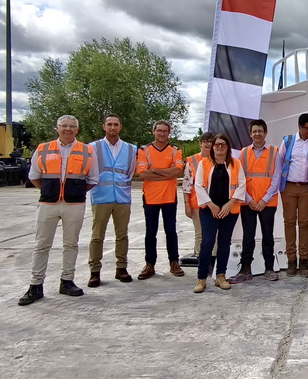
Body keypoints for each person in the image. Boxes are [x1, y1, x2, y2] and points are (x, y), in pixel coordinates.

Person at [19, 115, 99, 305]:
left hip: (74, 204)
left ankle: (67, 281)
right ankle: (35, 285)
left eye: (72, 126)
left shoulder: (87, 151)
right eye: (64, 126)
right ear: (57, 128)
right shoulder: (43, 149)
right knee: (41, 245)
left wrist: (74, 191)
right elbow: (34, 176)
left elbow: (93, 179)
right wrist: (50, 191)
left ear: (77, 130)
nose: (68, 129)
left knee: (71, 244)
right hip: (48, 203)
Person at [87, 114, 138, 287]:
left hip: (122, 198)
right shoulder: (93, 147)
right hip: (101, 197)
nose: (112, 128)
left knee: (122, 235)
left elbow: (130, 172)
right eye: (109, 124)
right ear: (104, 127)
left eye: (116, 124)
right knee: (97, 236)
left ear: (120, 127)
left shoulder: (131, 149)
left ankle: (121, 268)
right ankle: (94, 271)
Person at [193, 133, 246, 293]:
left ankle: (221, 276)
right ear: (212, 146)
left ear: (228, 147)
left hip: (229, 210)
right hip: (210, 210)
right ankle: (201, 278)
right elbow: (199, 186)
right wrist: (211, 205)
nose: (220, 147)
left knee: (224, 242)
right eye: (217, 144)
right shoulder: (204, 163)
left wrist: (230, 204)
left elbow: (242, 184)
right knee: (207, 243)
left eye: (223, 144)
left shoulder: (236, 163)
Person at [135, 120, 185, 280]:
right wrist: (166, 172)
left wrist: (154, 170)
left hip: (169, 196)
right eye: (159, 130)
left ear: (169, 133)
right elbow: (142, 173)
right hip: (150, 197)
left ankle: (174, 262)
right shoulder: (144, 150)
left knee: (171, 231)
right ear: (153, 131)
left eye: (165, 131)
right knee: (151, 232)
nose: (162, 133)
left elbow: (177, 171)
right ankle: (150, 264)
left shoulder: (175, 150)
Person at [276, 113, 308, 276]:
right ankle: (291, 260)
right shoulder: (288, 141)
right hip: (288, 187)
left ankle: (304, 261)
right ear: (300, 127)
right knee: (289, 222)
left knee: (304, 223)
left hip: (307, 189)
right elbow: (279, 163)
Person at [234, 119, 278, 283]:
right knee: (248, 237)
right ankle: (246, 269)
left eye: (260, 131)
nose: (257, 134)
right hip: (248, 203)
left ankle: (269, 268)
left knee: (268, 236)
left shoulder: (275, 152)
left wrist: (264, 200)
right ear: (250, 134)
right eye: (254, 131)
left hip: (267, 203)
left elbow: (276, 179)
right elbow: (240, 179)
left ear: (265, 133)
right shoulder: (243, 153)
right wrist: (250, 200)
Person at [181, 133, 214, 267]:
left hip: (215, 205)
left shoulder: (218, 159)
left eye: (211, 142)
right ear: (200, 143)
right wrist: (187, 204)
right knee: (200, 234)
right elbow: (186, 185)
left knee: (214, 235)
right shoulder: (192, 160)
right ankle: (202, 262)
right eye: (205, 141)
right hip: (197, 204)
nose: (208, 144)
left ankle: (213, 261)